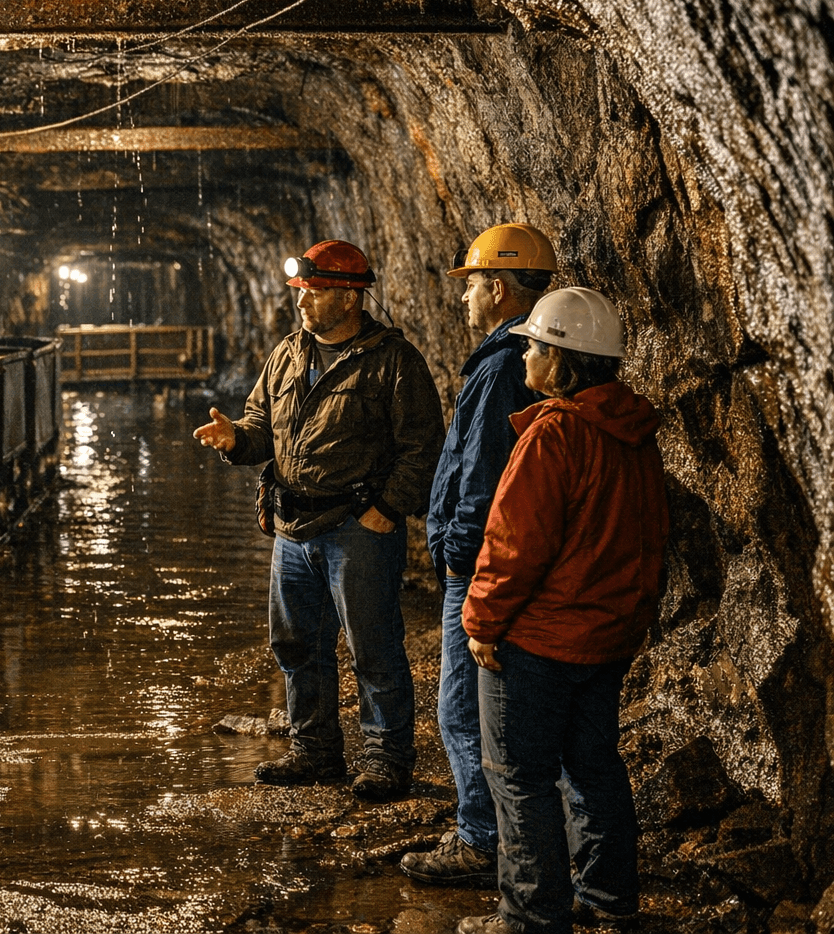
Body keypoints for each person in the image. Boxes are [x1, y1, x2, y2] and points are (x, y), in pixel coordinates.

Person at [193, 240, 444, 800]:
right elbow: (263, 421)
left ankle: (385, 759)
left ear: (351, 297)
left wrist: (387, 508)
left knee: (373, 648)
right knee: (296, 644)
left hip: (357, 527)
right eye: (301, 292)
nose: (302, 302)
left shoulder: (392, 362)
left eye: (315, 292)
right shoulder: (288, 353)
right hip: (292, 529)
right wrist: (237, 438)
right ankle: (315, 749)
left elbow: (423, 447)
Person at [454, 287, 669, 934]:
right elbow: (648, 536)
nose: (525, 356)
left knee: (520, 777)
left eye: (536, 346)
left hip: (539, 641)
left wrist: (481, 623)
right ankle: (608, 897)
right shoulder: (634, 434)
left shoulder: (554, 435)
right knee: (595, 764)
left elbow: (515, 542)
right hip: (604, 637)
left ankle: (531, 915)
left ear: (565, 359)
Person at [401, 224, 555, 887]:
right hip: (513, 564)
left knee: (463, 712)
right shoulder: (531, 356)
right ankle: (505, 833)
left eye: (469, 286)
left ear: (497, 288)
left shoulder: (498, 369)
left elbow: (485, 479)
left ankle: (482, 840)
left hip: (482, 566)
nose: (463, 299)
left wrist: (458, 557)